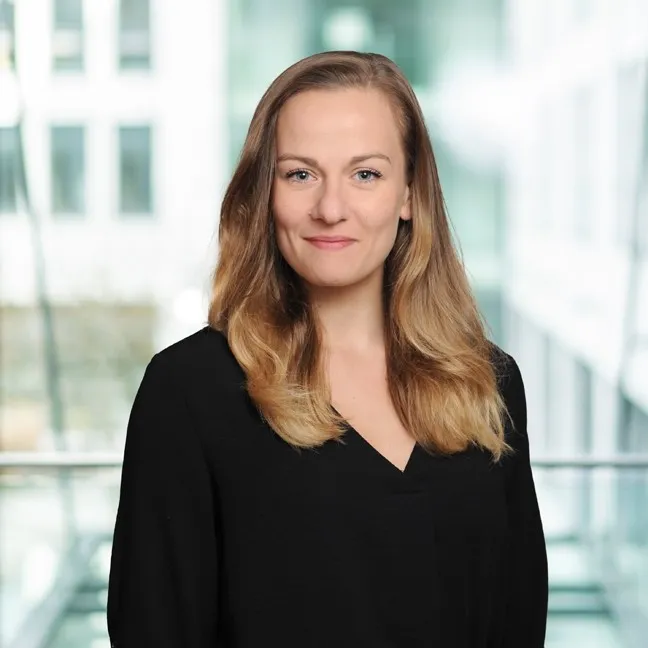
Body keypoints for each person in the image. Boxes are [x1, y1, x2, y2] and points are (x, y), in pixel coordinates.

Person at [106, 50, 548, 647]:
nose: (331, 208)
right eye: (300, 174)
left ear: (409, 196)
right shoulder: (189, 391)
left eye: (365, 174)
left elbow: (517, 620)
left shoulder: (488, 381)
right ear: (265, 195)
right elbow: (155, 629)